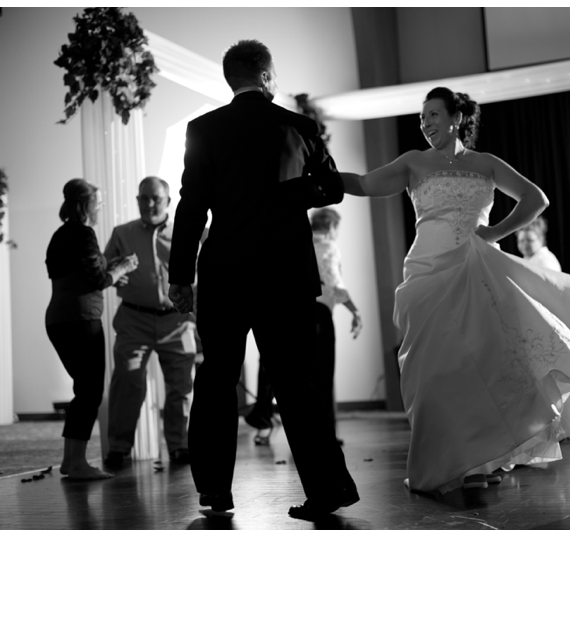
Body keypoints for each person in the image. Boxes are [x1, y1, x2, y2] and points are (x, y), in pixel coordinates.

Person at [340, 87, 570, 494]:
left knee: (483, 365)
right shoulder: (413, 162)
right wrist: (320, 176)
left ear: (456, 118)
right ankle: (449, 460)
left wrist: (495, 231)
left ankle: (482, 460)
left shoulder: (486, 163)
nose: (425, 124)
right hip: (429, 273)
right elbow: (363, 183)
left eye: (433, 115)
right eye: (421, 118)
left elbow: (536, 198)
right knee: (434, 370)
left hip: (476, 270)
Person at [167, 39, 359, 520]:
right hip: (285, 274)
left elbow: (191, 208)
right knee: (296, 382)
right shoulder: (299, 126)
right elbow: (332, 188)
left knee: (216, 379)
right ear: (268, 76)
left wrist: (180, 277)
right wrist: (291, 194)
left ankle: (215, 491)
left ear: (231, 79)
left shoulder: (203, 129)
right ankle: (327, 489)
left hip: (224, 274)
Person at [244, 208, 363, 446]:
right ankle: (325, 434)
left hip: (289, 311)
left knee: (291, 374)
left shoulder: (295, 242)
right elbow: (333, 281)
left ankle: (280, 425)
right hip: (318, 313)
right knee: (322, 375)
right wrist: (354, 310)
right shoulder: (328, 247)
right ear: (332, 227)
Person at [45, 179, 138, 480]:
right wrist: (122, 268)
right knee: (90, 392)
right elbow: (97, 280)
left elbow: (80, 273)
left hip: (58, 319)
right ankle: (77, 463)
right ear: (86, 205)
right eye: (97, 203)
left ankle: (71, 461)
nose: (99, 208)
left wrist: (110, 267)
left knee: (83, 390)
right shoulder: (84, 233)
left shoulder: (60, 234)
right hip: (81, 319)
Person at [102, 177, 197, 468]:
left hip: (177, 321)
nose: (150, 203)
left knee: (181, 387)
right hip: (134, 320)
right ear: (137, 200)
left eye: (156, 198)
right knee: (128, 382)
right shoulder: (122, 233)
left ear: (168, 201)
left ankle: (179, 446)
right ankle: (119, 448)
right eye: (144, 198)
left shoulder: (188, 233)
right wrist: (116, 272)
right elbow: (104, 270)